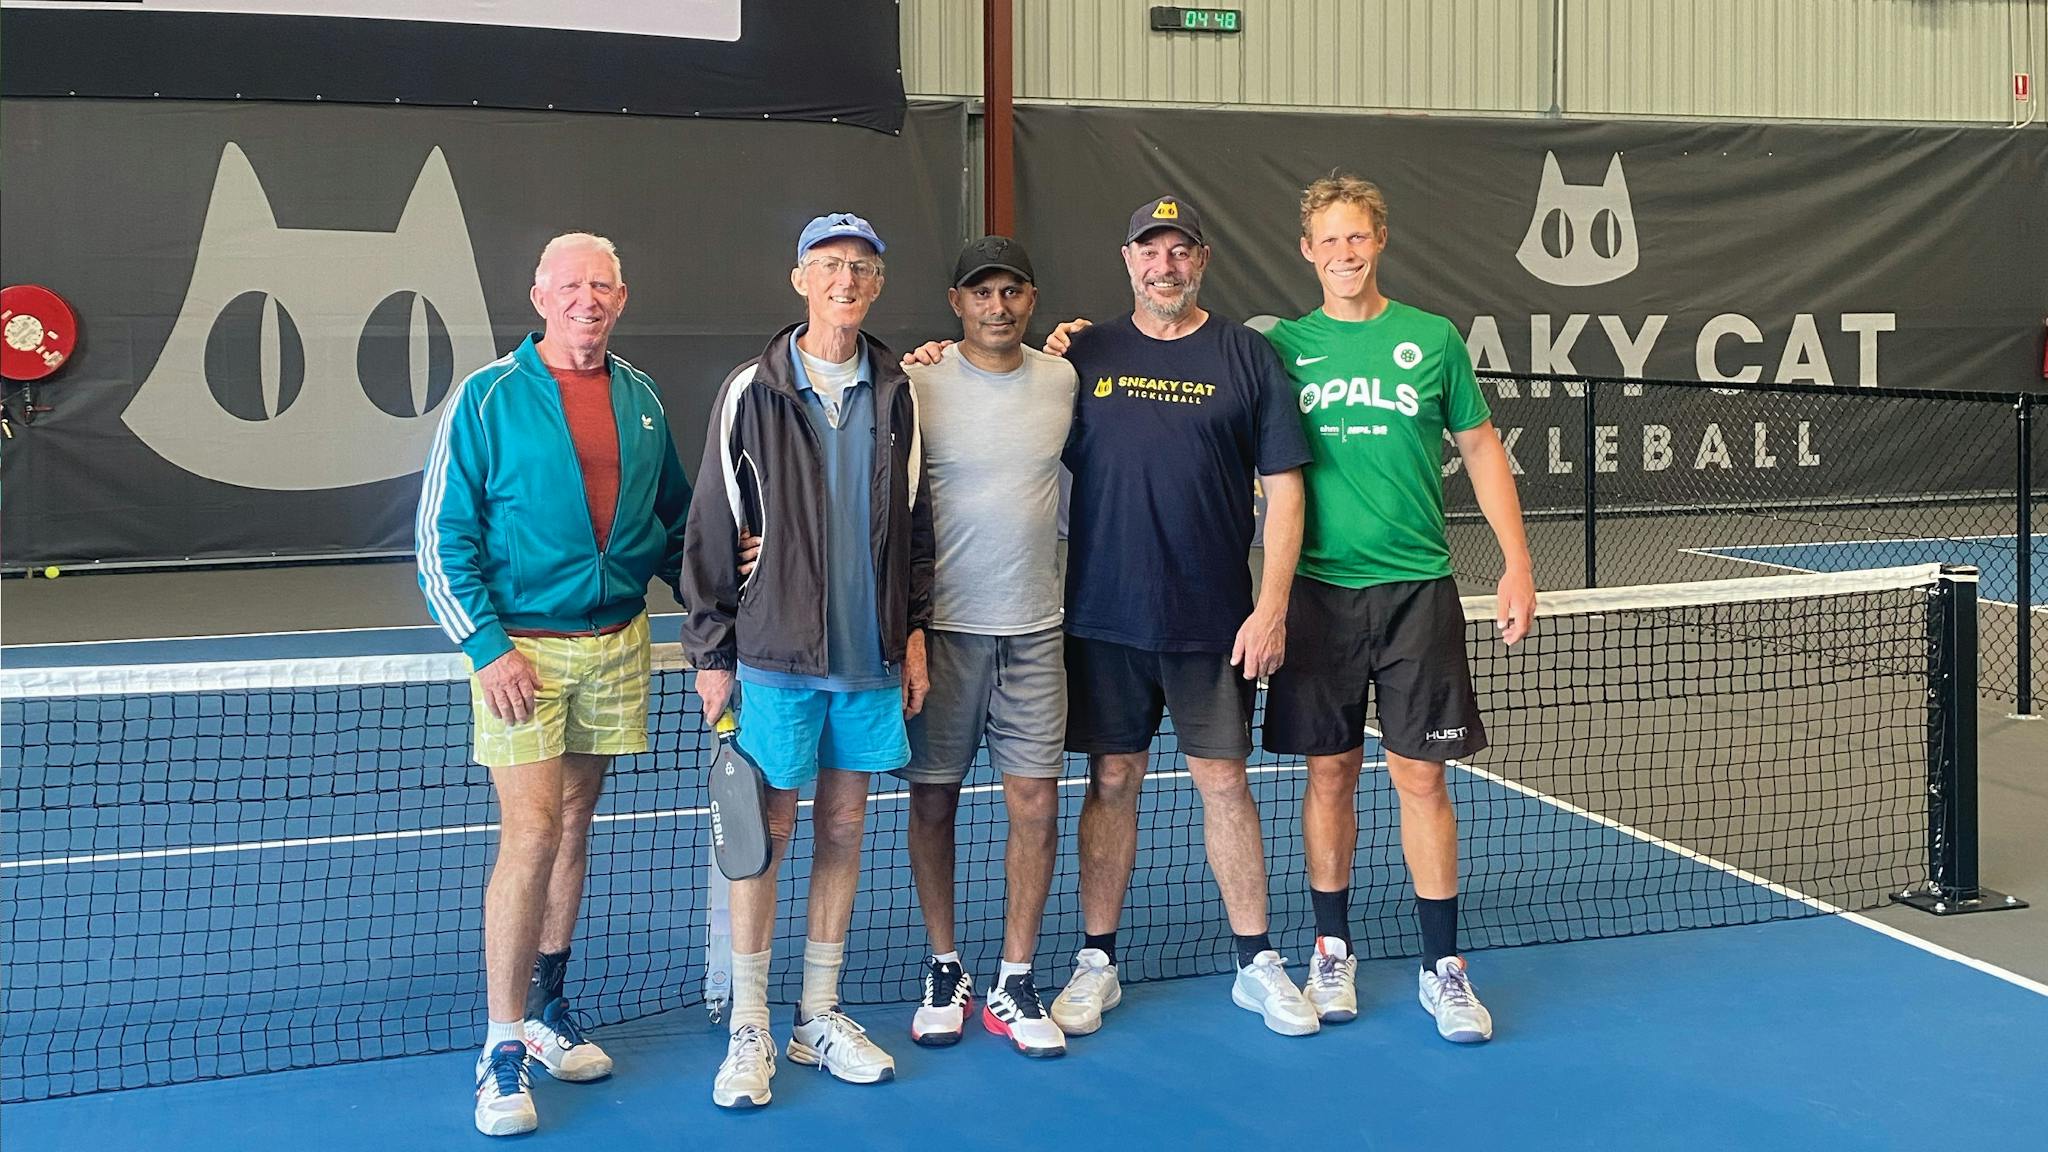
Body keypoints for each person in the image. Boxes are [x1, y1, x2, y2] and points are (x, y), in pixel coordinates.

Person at [416, 232, 692, 1136]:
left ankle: (547, 1008)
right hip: (521, 656)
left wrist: (726, 595)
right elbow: (440, 538)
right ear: (539, 297)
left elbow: (675, 523)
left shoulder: (642, 397)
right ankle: (500, 1047)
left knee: (574, 825)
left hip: (616, 644)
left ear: (622, 297)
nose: (587, 299)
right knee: (531, 833)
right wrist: (485, 646)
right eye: (570, 285)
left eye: (601, 285)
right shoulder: (487, 397)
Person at [1261, 174, 1536, 1043]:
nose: (1344, 253)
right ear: (1306, 251)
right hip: (1317, 595)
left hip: (1420, 591)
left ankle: (1442, 967)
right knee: (1330, 774)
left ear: (1380, 241)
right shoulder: (1281, 348)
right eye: (1329, 240)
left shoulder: (1432, 339)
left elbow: (1480, 448)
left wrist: (1517, 563)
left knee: (1422, 777)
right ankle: (1331, 950)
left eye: (1357, 237)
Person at [1041, 197, 1319, 1038]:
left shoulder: (1248, 356)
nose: (1164, 266)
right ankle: (1096, 960)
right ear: (1128, 260)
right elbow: (1000, 403)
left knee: (1225, 784)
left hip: (1215, 622)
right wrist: (938, 355)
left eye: (1180, 251)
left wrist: (1271, 608)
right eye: (1150, 250)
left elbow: (1286, 491)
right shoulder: (1081, 355)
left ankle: (1256, 962)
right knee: (1111, 781)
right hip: (1103, 620)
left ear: (1202, 260)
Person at [679, 213, 933, 1109]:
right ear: (800, 279)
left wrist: (912, 634)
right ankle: (750, 1021)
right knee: (768, 833)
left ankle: (816, 1013)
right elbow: (713, 522)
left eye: (861, 267)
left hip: (868, 659)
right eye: (829, 265)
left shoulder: (899, 391)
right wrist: (712, 649)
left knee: (844, 830)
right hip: (774, 657)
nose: (845, 281)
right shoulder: (750, 389)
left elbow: (917, 527)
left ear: (878, 283)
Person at [890, 237, 1077, 1057]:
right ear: (956, 302)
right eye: (981, 292)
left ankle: (1016, 977)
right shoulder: (916, 385)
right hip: (944, 636)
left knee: (1035, 804)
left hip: (1037, 631)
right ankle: (945, 967)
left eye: (1012, 291)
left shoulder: (1065, 378)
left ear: (1031, 299)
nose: (997, 307)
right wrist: (909, 630)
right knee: (933, 802)